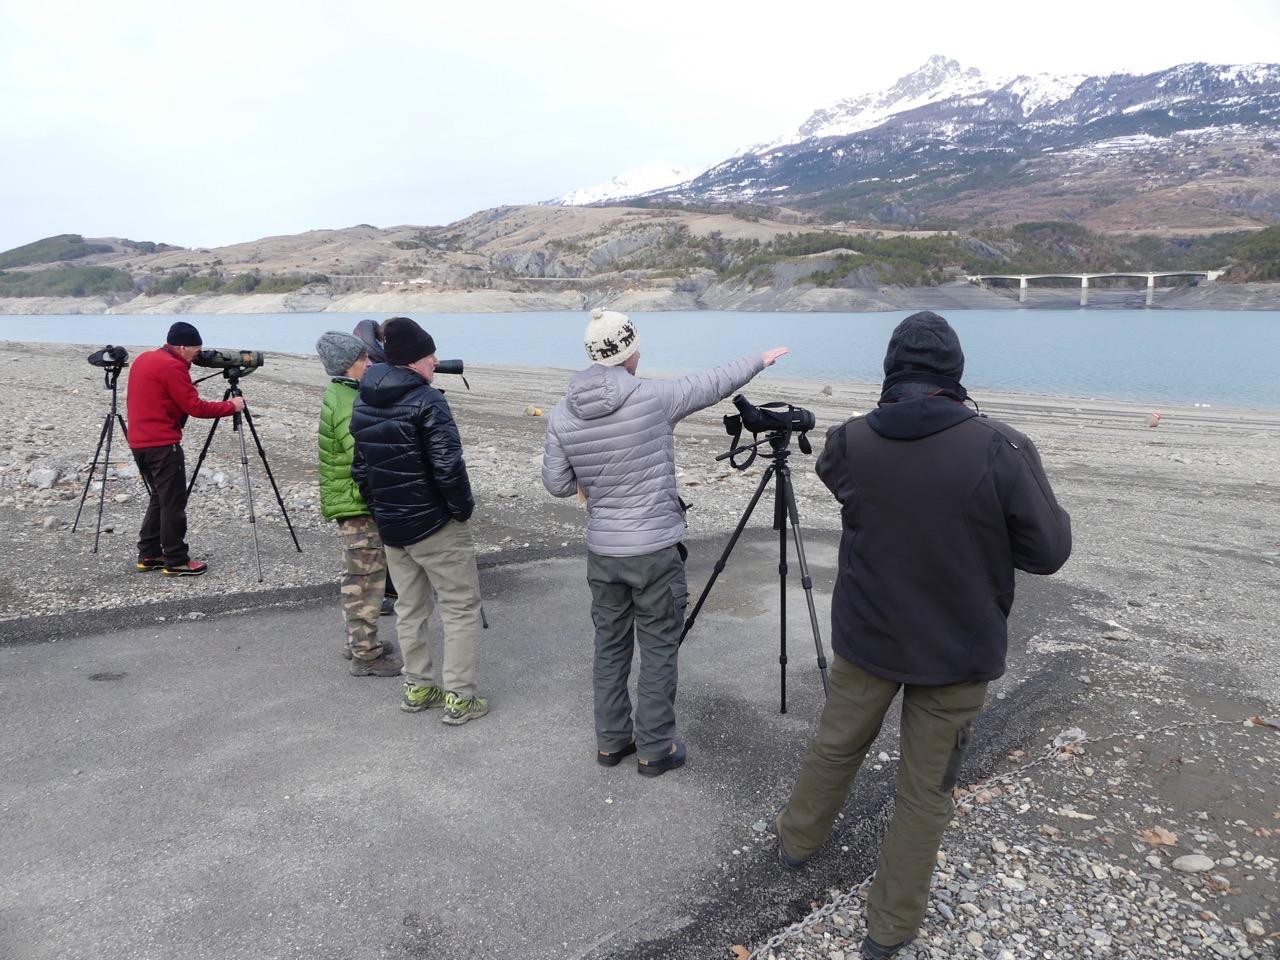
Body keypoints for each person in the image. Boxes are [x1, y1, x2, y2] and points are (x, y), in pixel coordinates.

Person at [774, 311, 1072, 960]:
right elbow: (1048, 551)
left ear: (890, 372)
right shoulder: (1003, 447)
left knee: (836, 746)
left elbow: (845, 482)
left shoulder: (849, 441)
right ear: (955, 375)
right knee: (924, 790)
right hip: (956, 648)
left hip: (869, 633)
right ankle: (889, 928)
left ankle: (797, 842)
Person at [542, 308, 787, 777]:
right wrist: (758, 359)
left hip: (604, 551)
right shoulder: (654, 398)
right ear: (630, 351)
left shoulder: (562, 413)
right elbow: (711, 382)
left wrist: (592, 480)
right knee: (657, 646)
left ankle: (612, 742)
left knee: (610, 645)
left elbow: (556, 483)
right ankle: (655, 748)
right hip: (654, 550)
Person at [349, 317, 489, 725]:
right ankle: (460, 697)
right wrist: (461, 510)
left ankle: (417, 685)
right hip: (434, 524)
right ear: (414, 361)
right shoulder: (429, 401)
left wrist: (380, 509)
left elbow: (361, 469)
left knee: (410, 607)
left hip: (392, 526)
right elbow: (448, 466)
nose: (436, 362)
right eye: (431, 356)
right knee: (460, 608)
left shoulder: (363, 398)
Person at [126, 321, 245, 577]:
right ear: (181, 346)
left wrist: (183, 388)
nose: (197, 355)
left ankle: (149, 553)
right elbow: (196, 408)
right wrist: (232, 407)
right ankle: (176, 559)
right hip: (161, 444)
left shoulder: (146, 358)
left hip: (139, 442)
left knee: (159, 497)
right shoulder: (172, 366)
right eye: (195, 350)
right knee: (173, 502)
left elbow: (159, 397)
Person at [316, 332, 403, 677]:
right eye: (363, 360)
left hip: (351, 498)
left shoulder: (343, 393)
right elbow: (363, 452)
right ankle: (365, 655)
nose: (369, 364)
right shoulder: (346, 401)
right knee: (364, 579)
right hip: (357, 502)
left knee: (360, 575)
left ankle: (358, 641)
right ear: (347, 365)